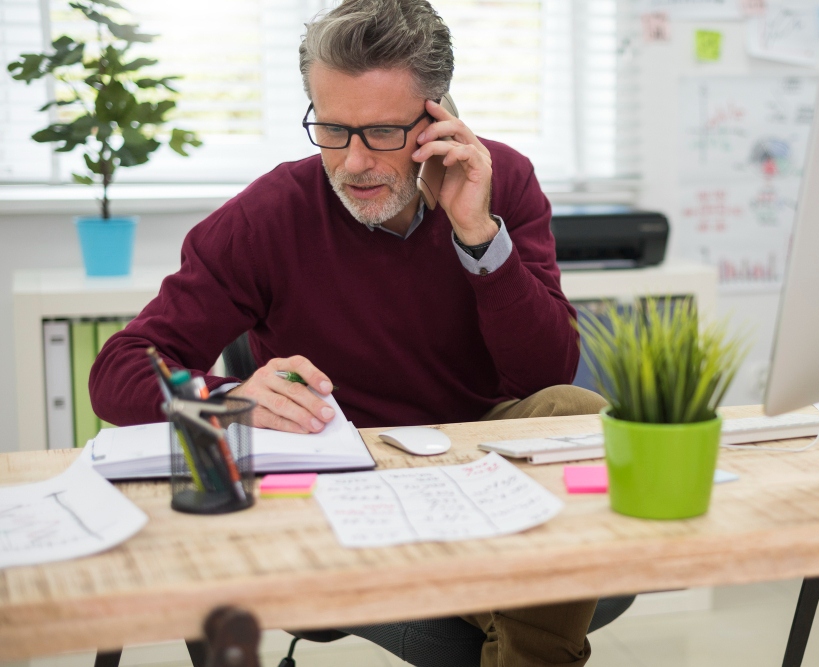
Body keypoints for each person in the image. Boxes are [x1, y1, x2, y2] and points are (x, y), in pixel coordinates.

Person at [91, 0, 605, 664]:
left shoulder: (498, 180)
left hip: (478, 467)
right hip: (348, 481)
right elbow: (120, 367)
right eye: (333, 128)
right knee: (555, 567)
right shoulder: (271, 214)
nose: (354, 161)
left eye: (383, 132)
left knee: (581, 413)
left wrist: (477, 233)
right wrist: (230, 394)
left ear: (438, 117)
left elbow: (546, 373)